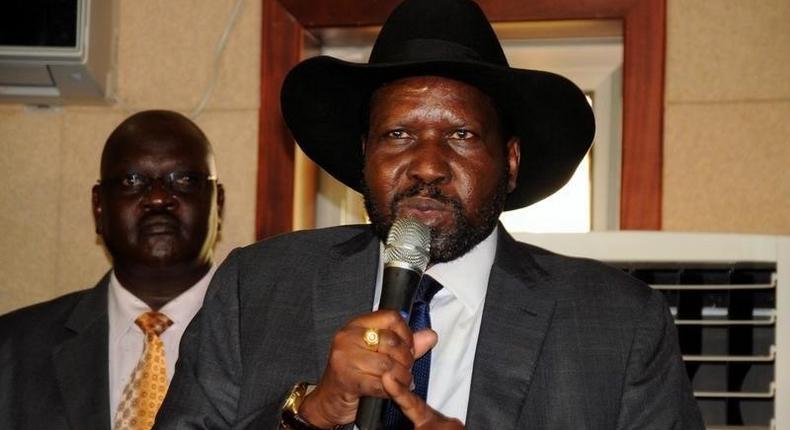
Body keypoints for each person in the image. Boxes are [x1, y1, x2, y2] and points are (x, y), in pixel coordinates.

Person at [156, 0, 703, 429]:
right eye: (398, 135)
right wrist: (312, 413)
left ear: (509, 162)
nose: (427, 166)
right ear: (365, 154)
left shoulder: (619, 322)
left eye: (461, 135)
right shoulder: (259, 287)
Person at [0, 110, 225, 430]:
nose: (159, 199)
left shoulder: (271, 342)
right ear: (99, 206)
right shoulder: (12, 350)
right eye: (133, 180)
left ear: (218, 204)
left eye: (184, 180)